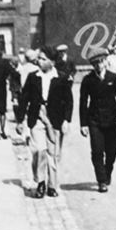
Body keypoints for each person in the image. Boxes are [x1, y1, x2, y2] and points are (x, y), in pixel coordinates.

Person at [17, 46, 73, 199]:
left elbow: (69, 101)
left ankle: (52, 185)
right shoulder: (33, 77)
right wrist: (20, 119)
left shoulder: (61, 78)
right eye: (39, 58)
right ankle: (40, 182)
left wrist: (66, 120)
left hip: (55, 119)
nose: (39, 61)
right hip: (37, 117)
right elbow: (24, 99)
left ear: (52, 62)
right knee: (38, 150)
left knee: (53, 154)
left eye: (43, 59)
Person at [79, 47, 116, 193]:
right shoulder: (88, 80)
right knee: (97, 151)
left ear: (106, 61)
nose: (99, 66)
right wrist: (84, 124)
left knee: (112, 150)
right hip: (95, 121)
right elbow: (83, 103)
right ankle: (101, 181)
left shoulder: (113, 78)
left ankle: (107, 172)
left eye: (101, 62)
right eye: (95, 64)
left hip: (112, 120)